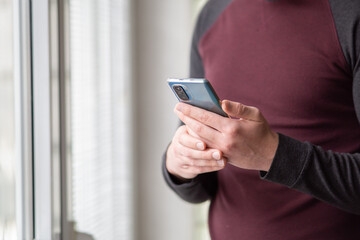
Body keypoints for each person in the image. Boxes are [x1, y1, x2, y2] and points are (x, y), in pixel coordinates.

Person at [162, 0, 360, 239]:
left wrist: (272, 154)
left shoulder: (350, 14)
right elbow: (200, 190)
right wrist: (178, 164)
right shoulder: (212, 13)